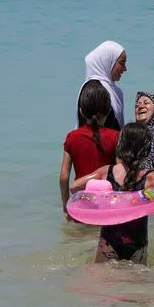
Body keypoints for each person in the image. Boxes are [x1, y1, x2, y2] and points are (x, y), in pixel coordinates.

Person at [70, 123, 154, 263]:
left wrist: (96, 203)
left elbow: (74, 187)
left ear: (120, 146)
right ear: (146, 150)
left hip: (109, 240)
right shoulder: (150, 177)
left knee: (102, 280)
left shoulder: (106, 171)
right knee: (137, 282)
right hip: (137, 242)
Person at [60, 80, 120, 216]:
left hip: (82, 204)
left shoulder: (72, 137)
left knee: (80, 237)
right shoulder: (116, 136)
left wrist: (66, 205)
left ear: (81, 111)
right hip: (106, 204)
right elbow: (119, 171)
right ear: (108, 110)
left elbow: (64, 177)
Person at [79, 41, 128, 130]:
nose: (125, 68)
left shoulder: (114, 91)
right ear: (108, 62)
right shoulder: (94, 89)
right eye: (121, 63)